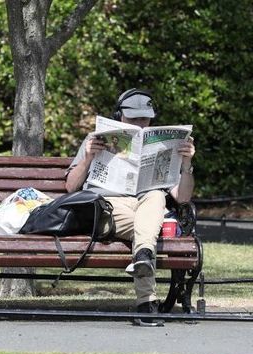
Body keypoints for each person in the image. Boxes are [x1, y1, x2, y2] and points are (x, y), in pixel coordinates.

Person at [65, 88, 196, 326]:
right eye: (132, 118)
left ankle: (144, 261)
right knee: (145, 230)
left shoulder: (165, 146)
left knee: (156, 195)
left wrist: (186, 164)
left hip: (146, 206)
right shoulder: (95, 140)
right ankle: (145, 300)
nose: (139, 123)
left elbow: (183, 197)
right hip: (107, 207)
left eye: (144, 119)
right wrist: (87, 158)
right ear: (119, 116)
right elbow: (71, 188)